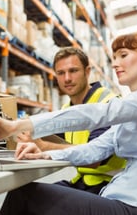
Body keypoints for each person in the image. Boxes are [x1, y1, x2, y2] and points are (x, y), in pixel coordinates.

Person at [0, 33, 137, 215]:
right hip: (121, 198)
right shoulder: (135, 107)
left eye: (123, 55)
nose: (116, 64)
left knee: (25, 195)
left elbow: (96, 113)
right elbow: (95, 149)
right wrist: (45, 154)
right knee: (26, 196)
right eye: (114, 58)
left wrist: (16, 126)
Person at [16, 47, 125, 194]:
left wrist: (43, 146)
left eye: (73, 71)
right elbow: (52, 136)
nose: (67, 78)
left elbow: (94, 159)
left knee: (26, 197)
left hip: (109, 186)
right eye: (61, 73)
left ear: (87, 72)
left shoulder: (107, 104)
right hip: (83, 181)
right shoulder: (67, 108)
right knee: (22, 193)